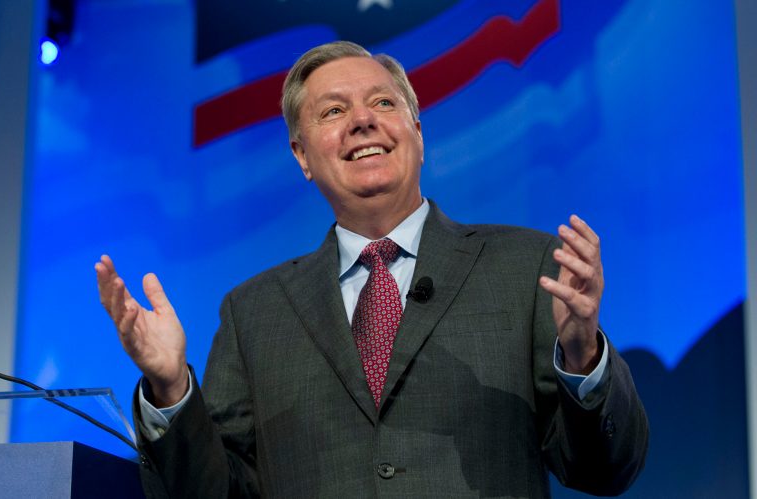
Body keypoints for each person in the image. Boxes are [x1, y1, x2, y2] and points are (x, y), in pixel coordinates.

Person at [96, 41, 648, 498]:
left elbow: (605, 470)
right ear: (302, 156)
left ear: (417, 133)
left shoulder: (524, 268)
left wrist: (583, 357)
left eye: (382, 103)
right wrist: (170, 390)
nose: (361, 121)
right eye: (333, 112)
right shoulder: (253, 312)